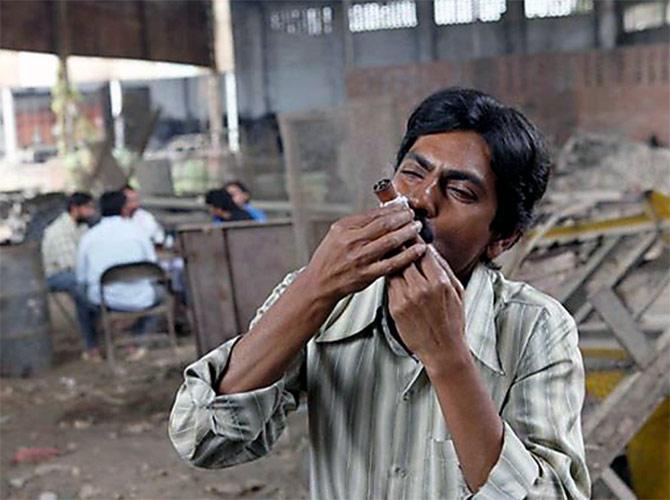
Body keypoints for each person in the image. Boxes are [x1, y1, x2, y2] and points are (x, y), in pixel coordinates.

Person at [169, 88, 590, 499]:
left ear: (502, 238)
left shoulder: (537, 328)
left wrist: (447, 357)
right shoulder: (324, 299)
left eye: (461, 192)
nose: (422, 200)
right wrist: (315, 289)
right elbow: (202, 439)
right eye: (412, 173)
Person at [76, 190, 159, 360]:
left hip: (105, 300)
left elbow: (81, 277)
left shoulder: (89, 237)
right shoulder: (139, 232)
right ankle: (137, 341)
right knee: (163, 296)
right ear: (124, 209)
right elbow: (153, 266)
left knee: (80, 296)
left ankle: (92, 348)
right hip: (141, 297)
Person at [41, 192, 95, 297]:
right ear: (75, 208)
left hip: (76, 271)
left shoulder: (82, 226)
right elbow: (70, 264)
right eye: (88, 207)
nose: (91, 212)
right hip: (55, 275)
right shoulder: (59, 230)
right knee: (80, 281)